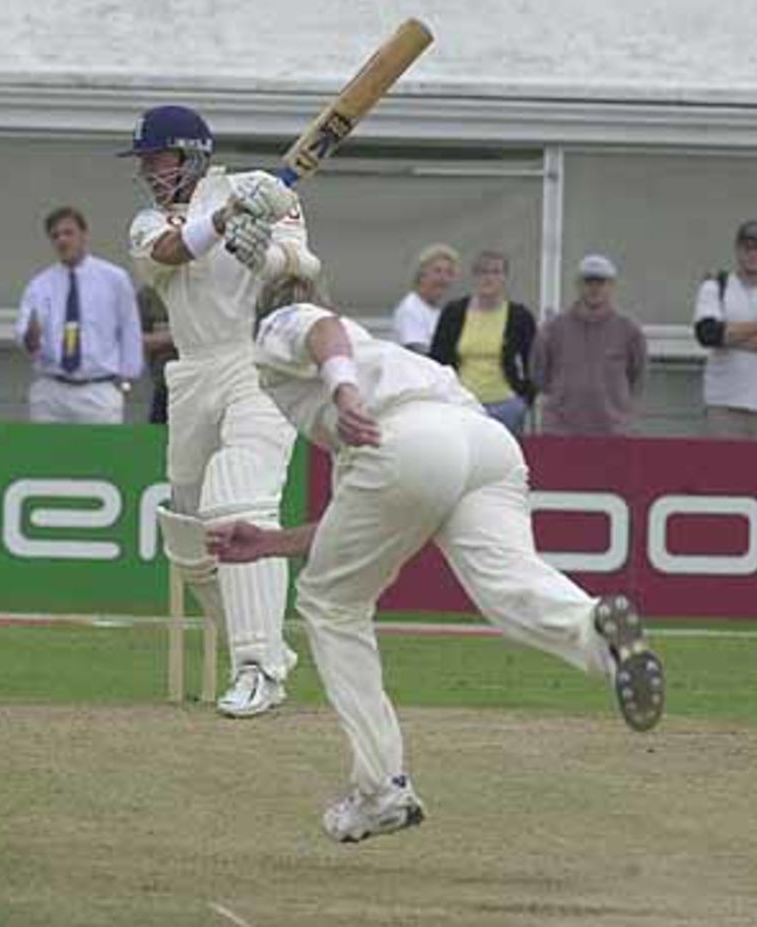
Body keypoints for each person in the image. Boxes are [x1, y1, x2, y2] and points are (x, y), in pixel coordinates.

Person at [206, 272, 664, 844]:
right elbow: (367, 513)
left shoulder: (286, 324)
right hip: (483, 443)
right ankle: (596, 632)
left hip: (409, 440)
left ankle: (381, 790)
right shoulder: (389, 360)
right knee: (508, 585)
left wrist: (345, 393)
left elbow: (320, 329)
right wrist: (271, 543)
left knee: (330, 604)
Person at [122, 104, 321, 717]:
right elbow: (169, 251)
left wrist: (264, 257)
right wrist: (226, 217)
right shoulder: (148, 223)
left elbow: (304, 269)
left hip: (260, 359)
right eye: (145, 163)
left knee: (239, 501)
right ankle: (264, 649)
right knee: (190, 538)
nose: (149, 172)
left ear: (191, 155)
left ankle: (257, 667)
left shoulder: (263, 190)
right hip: (192, 370)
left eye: (158, 159)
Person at [16, 206, 144, 424]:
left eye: (68, 233)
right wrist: (31, 336)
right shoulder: (40, 285)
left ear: (84, 234)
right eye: (55, 236)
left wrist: (127, 379)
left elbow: (130, 328)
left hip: (98, 388)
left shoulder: (114, 279)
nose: (62, 240)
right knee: (47, 446)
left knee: (101, 446)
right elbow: (25, 337)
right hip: (51, 390)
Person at [532, 254, 647, 435]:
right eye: (588, 282)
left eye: (601, 283)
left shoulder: (629, 330)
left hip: (614, 431)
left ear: (612, 286)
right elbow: (539, 376)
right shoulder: (553, 329)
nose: (594, 289)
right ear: (578, 285)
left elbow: (637, 377)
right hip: (561, 431)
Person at [430, 250, 536, 436]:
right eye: (483, 272)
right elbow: (438, 359)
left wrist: (526, 399)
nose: (488, 278)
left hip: (506, 405)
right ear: (474, 277)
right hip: (463, 403)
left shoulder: (519, 316)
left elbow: (533, 361)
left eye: (495, 272)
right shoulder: (453, 312)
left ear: (505, 278)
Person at [692, 219, 757, 438]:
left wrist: (729, 336)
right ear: (737, 249)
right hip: (724, 404)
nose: (753, 254)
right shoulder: (716, 285)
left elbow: (720, 336)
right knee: (722, 462)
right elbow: (708, 334)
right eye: (748, 248)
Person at [391, 243, 458, 354]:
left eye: (449, 273)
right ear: (422, 275)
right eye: (437, 271)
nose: (443, 278)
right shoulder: (411, 308)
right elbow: (418, 352)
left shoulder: (439, 311)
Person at [136, 282, 177, 424]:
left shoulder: (208, 290)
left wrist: (166, 336)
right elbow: (134, 340)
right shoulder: (149, 295)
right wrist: (178, 336)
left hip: (206, 382)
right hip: (164, 385)